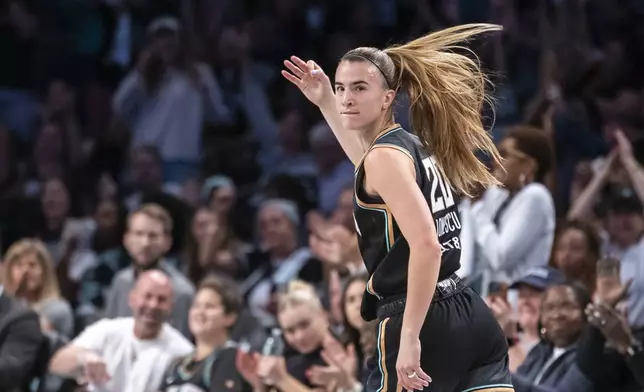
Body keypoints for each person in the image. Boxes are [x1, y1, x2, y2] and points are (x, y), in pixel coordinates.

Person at [281, 24, 513, 391]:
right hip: (469, 312)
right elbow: (367, 166)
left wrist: (410, 337)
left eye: (359, 88)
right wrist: (324, 100)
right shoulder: (406, 146)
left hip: (419, 315)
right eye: (341, 88)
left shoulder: (385, 158)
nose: (347, 99)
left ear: (388, 97)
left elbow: (427, 246)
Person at [49, 270, 193, 392]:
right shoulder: (107, 330)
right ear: (132, 299)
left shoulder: (182, 352)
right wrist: (83, 357)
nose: (153, 305)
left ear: (171, 306)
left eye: (161, 300)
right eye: (147, 296)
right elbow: (56, 363)